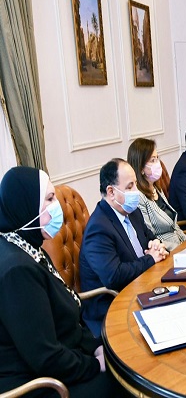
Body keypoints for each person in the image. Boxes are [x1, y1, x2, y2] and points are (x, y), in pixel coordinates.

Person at [0, 167, 124, 397]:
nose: (57, 205)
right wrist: (94, 364)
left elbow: (66, 317)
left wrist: (96, 346)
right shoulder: (17, 271)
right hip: (39, 384)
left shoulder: (28, 247)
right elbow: (46, 357)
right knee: (125, 382)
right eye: (49, 199)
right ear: (25, 205)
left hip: (66, 356)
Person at [80, 158, 168, 336]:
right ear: (111, 192)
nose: (136, 191)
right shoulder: (98, 228)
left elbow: (150, 237)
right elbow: (114, 276)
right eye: (130, 187)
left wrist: (156, 245)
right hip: (113, 307)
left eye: (135, 184)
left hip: (142, 288)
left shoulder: (132, 212)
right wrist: (151, 259)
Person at [127, 138, 186, 251]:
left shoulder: (155, 188)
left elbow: (174, 225)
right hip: (166, 251)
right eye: (152, 160)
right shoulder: (139, 197)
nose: (158, 163)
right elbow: (150, 237)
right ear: (141, 168)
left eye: (157, 158)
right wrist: (180, 248)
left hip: (180, 245)